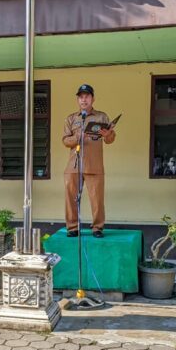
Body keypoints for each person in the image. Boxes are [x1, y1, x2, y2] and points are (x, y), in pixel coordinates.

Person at [62, 84, 116, 238]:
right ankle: (72, 227)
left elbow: (110, 140)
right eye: (81, 97)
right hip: (74, 165)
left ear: (93, 99)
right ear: (77, 100)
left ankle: (97, 227)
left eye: (87, 96)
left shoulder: (102, 117)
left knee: (97, 199)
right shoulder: (71, 118)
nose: (83, 99)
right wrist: (77, 137)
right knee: (71, 197)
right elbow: (65, 141)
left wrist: (107, 134)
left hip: (94, 165)